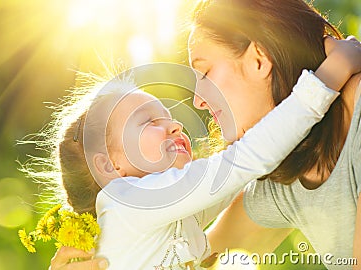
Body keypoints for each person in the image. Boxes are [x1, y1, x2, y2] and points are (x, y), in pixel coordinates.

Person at [47, 36, 361, 269]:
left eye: (168, 117)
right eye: (149, 122)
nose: (174, 127)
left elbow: (238, 176)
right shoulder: (126, 202)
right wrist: (329, 76)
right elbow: (244, 162)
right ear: (109, 165)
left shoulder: (152, 217)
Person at [188, 0, 361, 269]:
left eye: (205, 73)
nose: (198, 100)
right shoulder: (287, 178)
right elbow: (196, 262)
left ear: (259, 60)